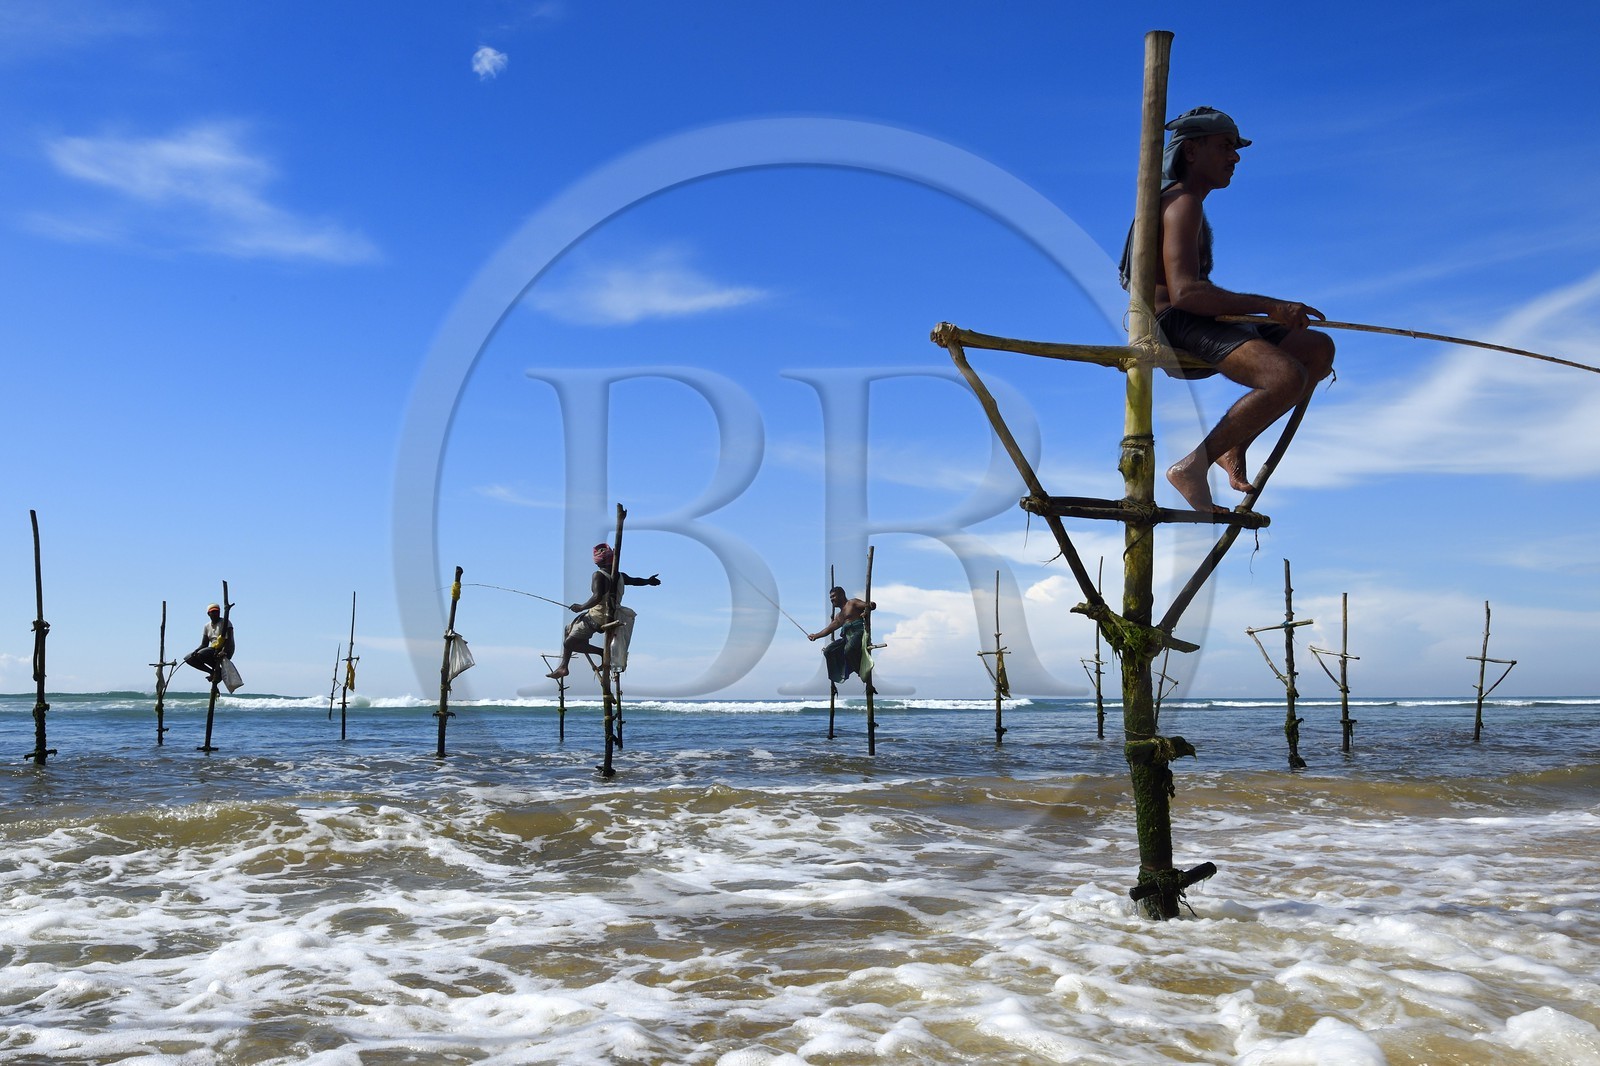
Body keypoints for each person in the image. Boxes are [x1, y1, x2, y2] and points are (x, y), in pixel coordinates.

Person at [1121, 106, 1336, 513]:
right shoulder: (1181, 203)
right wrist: (1270, 306)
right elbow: (1185, 294)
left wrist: (1267, 312)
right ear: (1191, 152)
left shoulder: (1188, 204)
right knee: (1284, 376)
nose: (1234, 157)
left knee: (1317, 348)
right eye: (1224, 147)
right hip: (1172, 323)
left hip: (1201, 318)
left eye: (1235, 149)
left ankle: (1233, 444)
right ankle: (1192, 467)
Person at [546, 542, 660, 679]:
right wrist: (648, 581)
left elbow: (596, 597)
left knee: (568, 643)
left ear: (597, 562)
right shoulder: (620, 576)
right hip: (613, 613)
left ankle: (594, 655)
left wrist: (580, 607)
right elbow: (635, 581)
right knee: (569, 628)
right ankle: (564, 666)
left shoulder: (598, 575)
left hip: (598, 616)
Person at [808, 586, 876, 684]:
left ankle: (859, 669)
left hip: (859, 633)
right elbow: (829, 629)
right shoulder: (839, 616)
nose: (832, 599)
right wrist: (815, 636)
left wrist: (868, 607)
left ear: (841, 595)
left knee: (849, 649)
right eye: (830, 597)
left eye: (833, 596)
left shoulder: (852, 603)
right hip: (847, 638)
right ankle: (841, 673)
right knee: (828, 651)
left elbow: (869, 605)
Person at [184, 603, 235, 684]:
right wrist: (196, 650)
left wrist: (224, 650)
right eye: (213, 612)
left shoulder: (225, 622)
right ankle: (213, 672)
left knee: (201, 654)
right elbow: (204, 644)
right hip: (213, 649)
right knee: (188, 658)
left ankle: (219, 672)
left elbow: (230, 639)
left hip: (225, 648)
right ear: (208, 614)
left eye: (217, 612)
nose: (215, 614)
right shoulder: (207, 626)